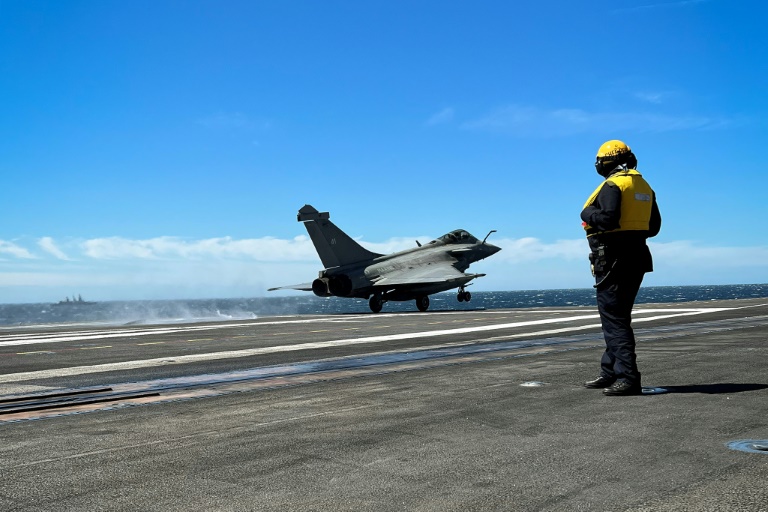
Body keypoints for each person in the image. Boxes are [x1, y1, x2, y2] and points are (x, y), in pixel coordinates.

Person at [580, 140, 661, 396]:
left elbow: (608, 219)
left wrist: (586, 214)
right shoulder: (644, 186)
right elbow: (654, 227)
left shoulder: (613, 184)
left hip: (613, 259)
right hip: (637, 257)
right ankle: (610, 371)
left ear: (606, 161)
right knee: (618, 318)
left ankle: (628, 378)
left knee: (614, 320)